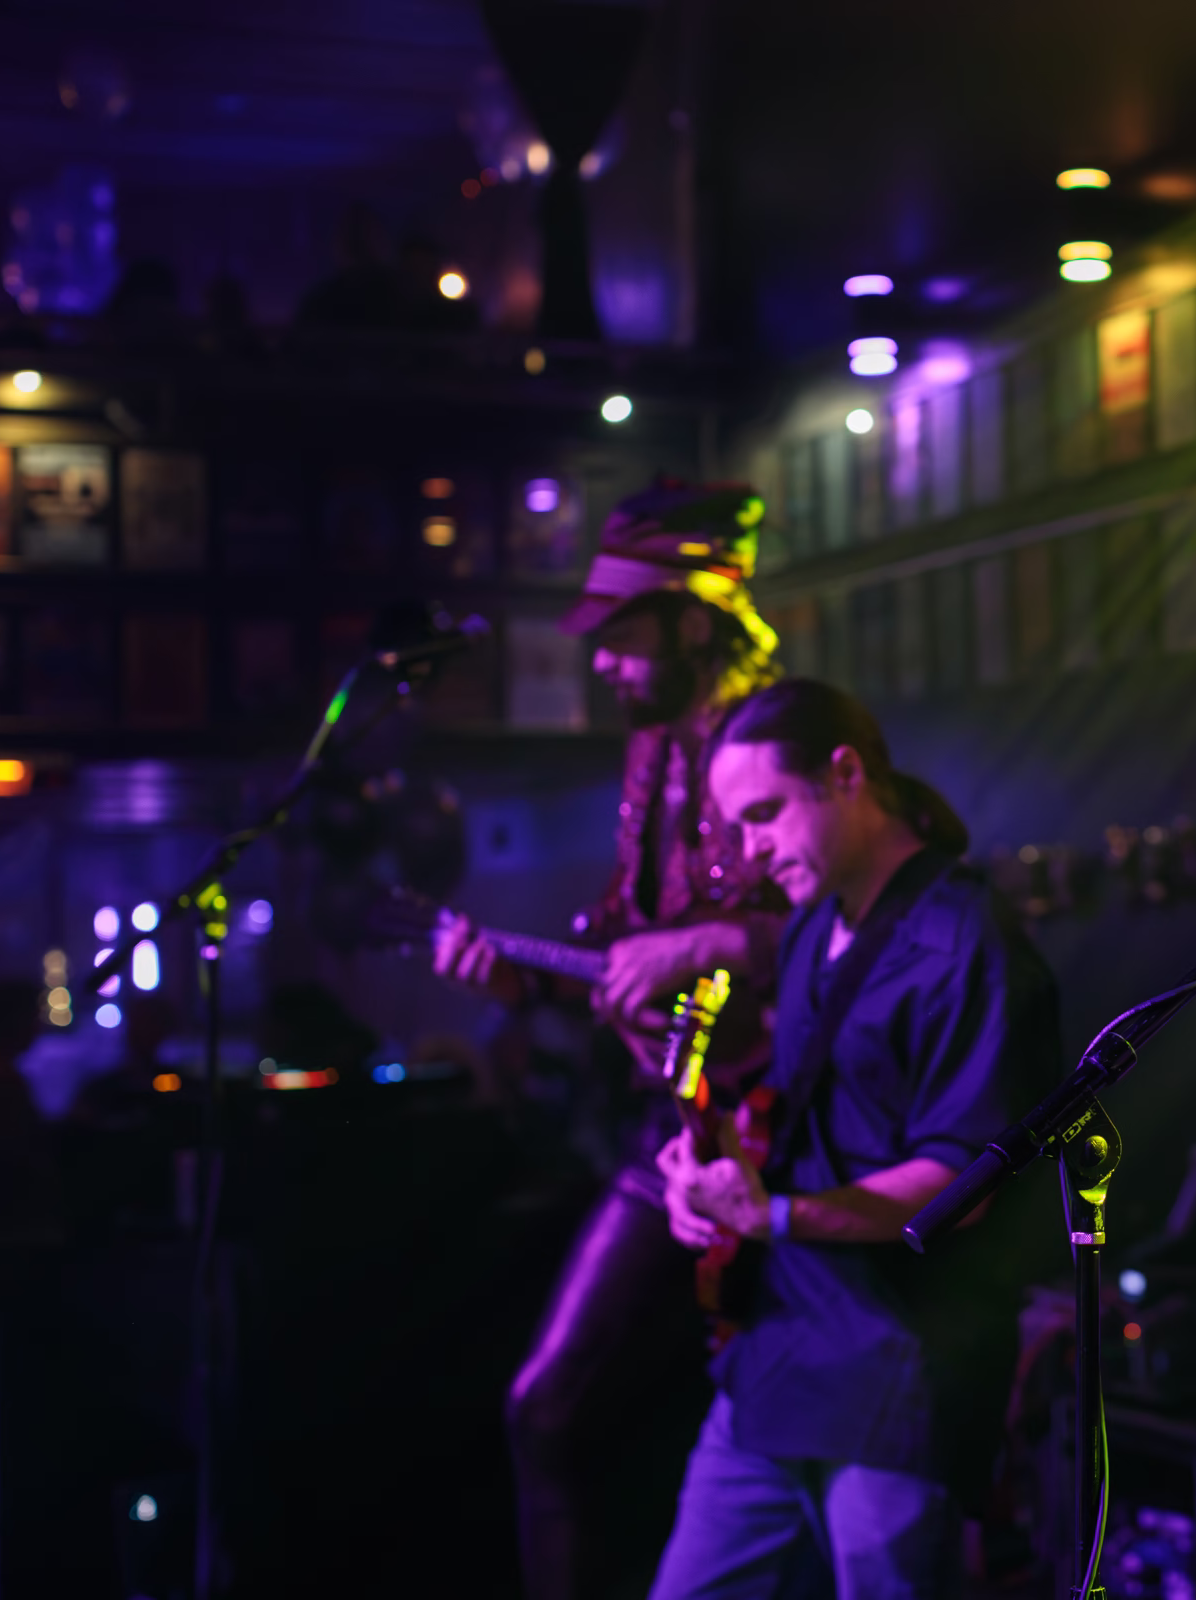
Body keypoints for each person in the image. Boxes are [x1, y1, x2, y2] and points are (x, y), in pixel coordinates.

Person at [432, 479, 789, 1600]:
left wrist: (706, 944)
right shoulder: (652, 751)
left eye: (622, 635)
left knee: (781, 1426)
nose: (601, 662)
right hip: (679, 1126)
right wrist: (525, 982)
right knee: (546, 1406)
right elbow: (627, 951)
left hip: (793, 1134)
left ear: (696, 621)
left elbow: (850, 919)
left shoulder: (783, 738)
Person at [648, 679, 1059, 1600]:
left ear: (845, 773)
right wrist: (705, 1174)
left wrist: (774, 1213)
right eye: (735, 828)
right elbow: (809, 1123)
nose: (749, 851)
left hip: (894, 1372)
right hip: (776, 1356)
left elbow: (961, 1182)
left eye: (763, 816)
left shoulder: (967, 940)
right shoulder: (810, 929)